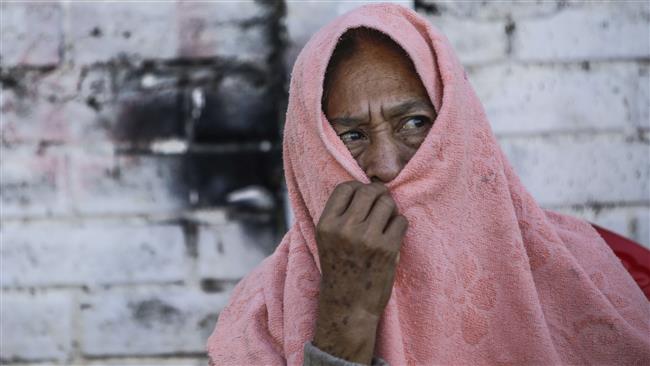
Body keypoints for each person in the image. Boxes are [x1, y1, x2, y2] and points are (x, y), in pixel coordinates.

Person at [207, 4, 650, 365]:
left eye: (415, 122)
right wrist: (346, 317)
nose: (385, 165)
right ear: (311, 154)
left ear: (460, 129)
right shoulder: (260, 319)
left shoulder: (602, 270)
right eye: (352, 136)